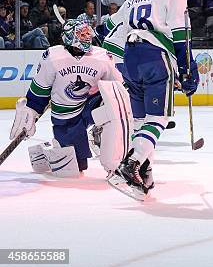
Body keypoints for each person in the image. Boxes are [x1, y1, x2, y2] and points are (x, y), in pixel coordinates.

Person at [105, 0, 199, 201]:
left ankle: (145, 171)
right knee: (158, 118)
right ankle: (132, 163)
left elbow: (108, 29)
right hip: (156, 56)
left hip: (130, 58)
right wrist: (187, 67)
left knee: (141, 122)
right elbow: (180, 34)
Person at [10, 19, 127, 175]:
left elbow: (119, 88)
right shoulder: (53, 57)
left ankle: (101, 138)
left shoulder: (102, 57)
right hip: (65, 116)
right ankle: (45, 153)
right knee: (78, 168)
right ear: (69, 37)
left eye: (88, 33)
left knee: (113, 104)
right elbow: (40, 91)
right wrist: (31, 110)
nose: (87, 37)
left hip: (89, 106)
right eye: (82, 34)